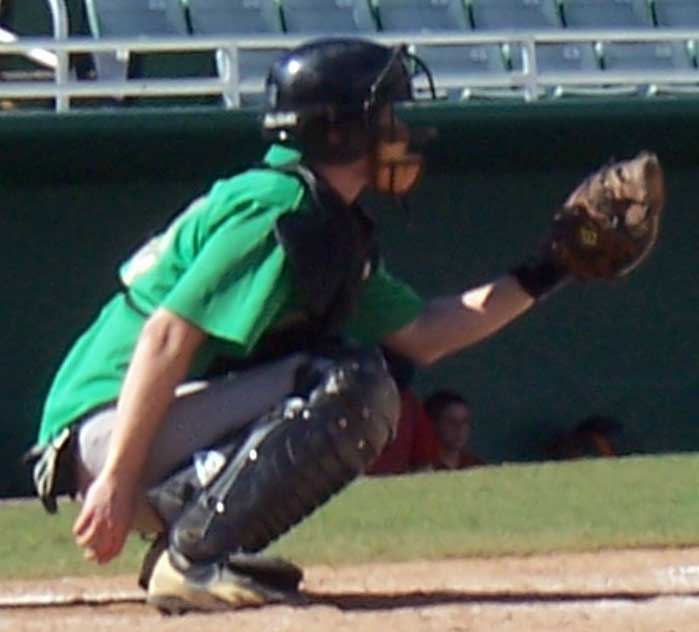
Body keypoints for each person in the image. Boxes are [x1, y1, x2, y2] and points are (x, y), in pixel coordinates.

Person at [25, 37, 626, 614]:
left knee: (360, 375)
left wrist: (551, 268)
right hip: (106, 430)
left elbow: (426, 333)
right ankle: (192, 557)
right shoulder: (278, 207)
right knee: (350, 383)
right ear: (340, 132)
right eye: (384, 115)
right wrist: (117, 481)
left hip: (143, 424)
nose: (400, 131)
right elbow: (165, 335)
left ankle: (192, 546)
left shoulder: (320, 217)